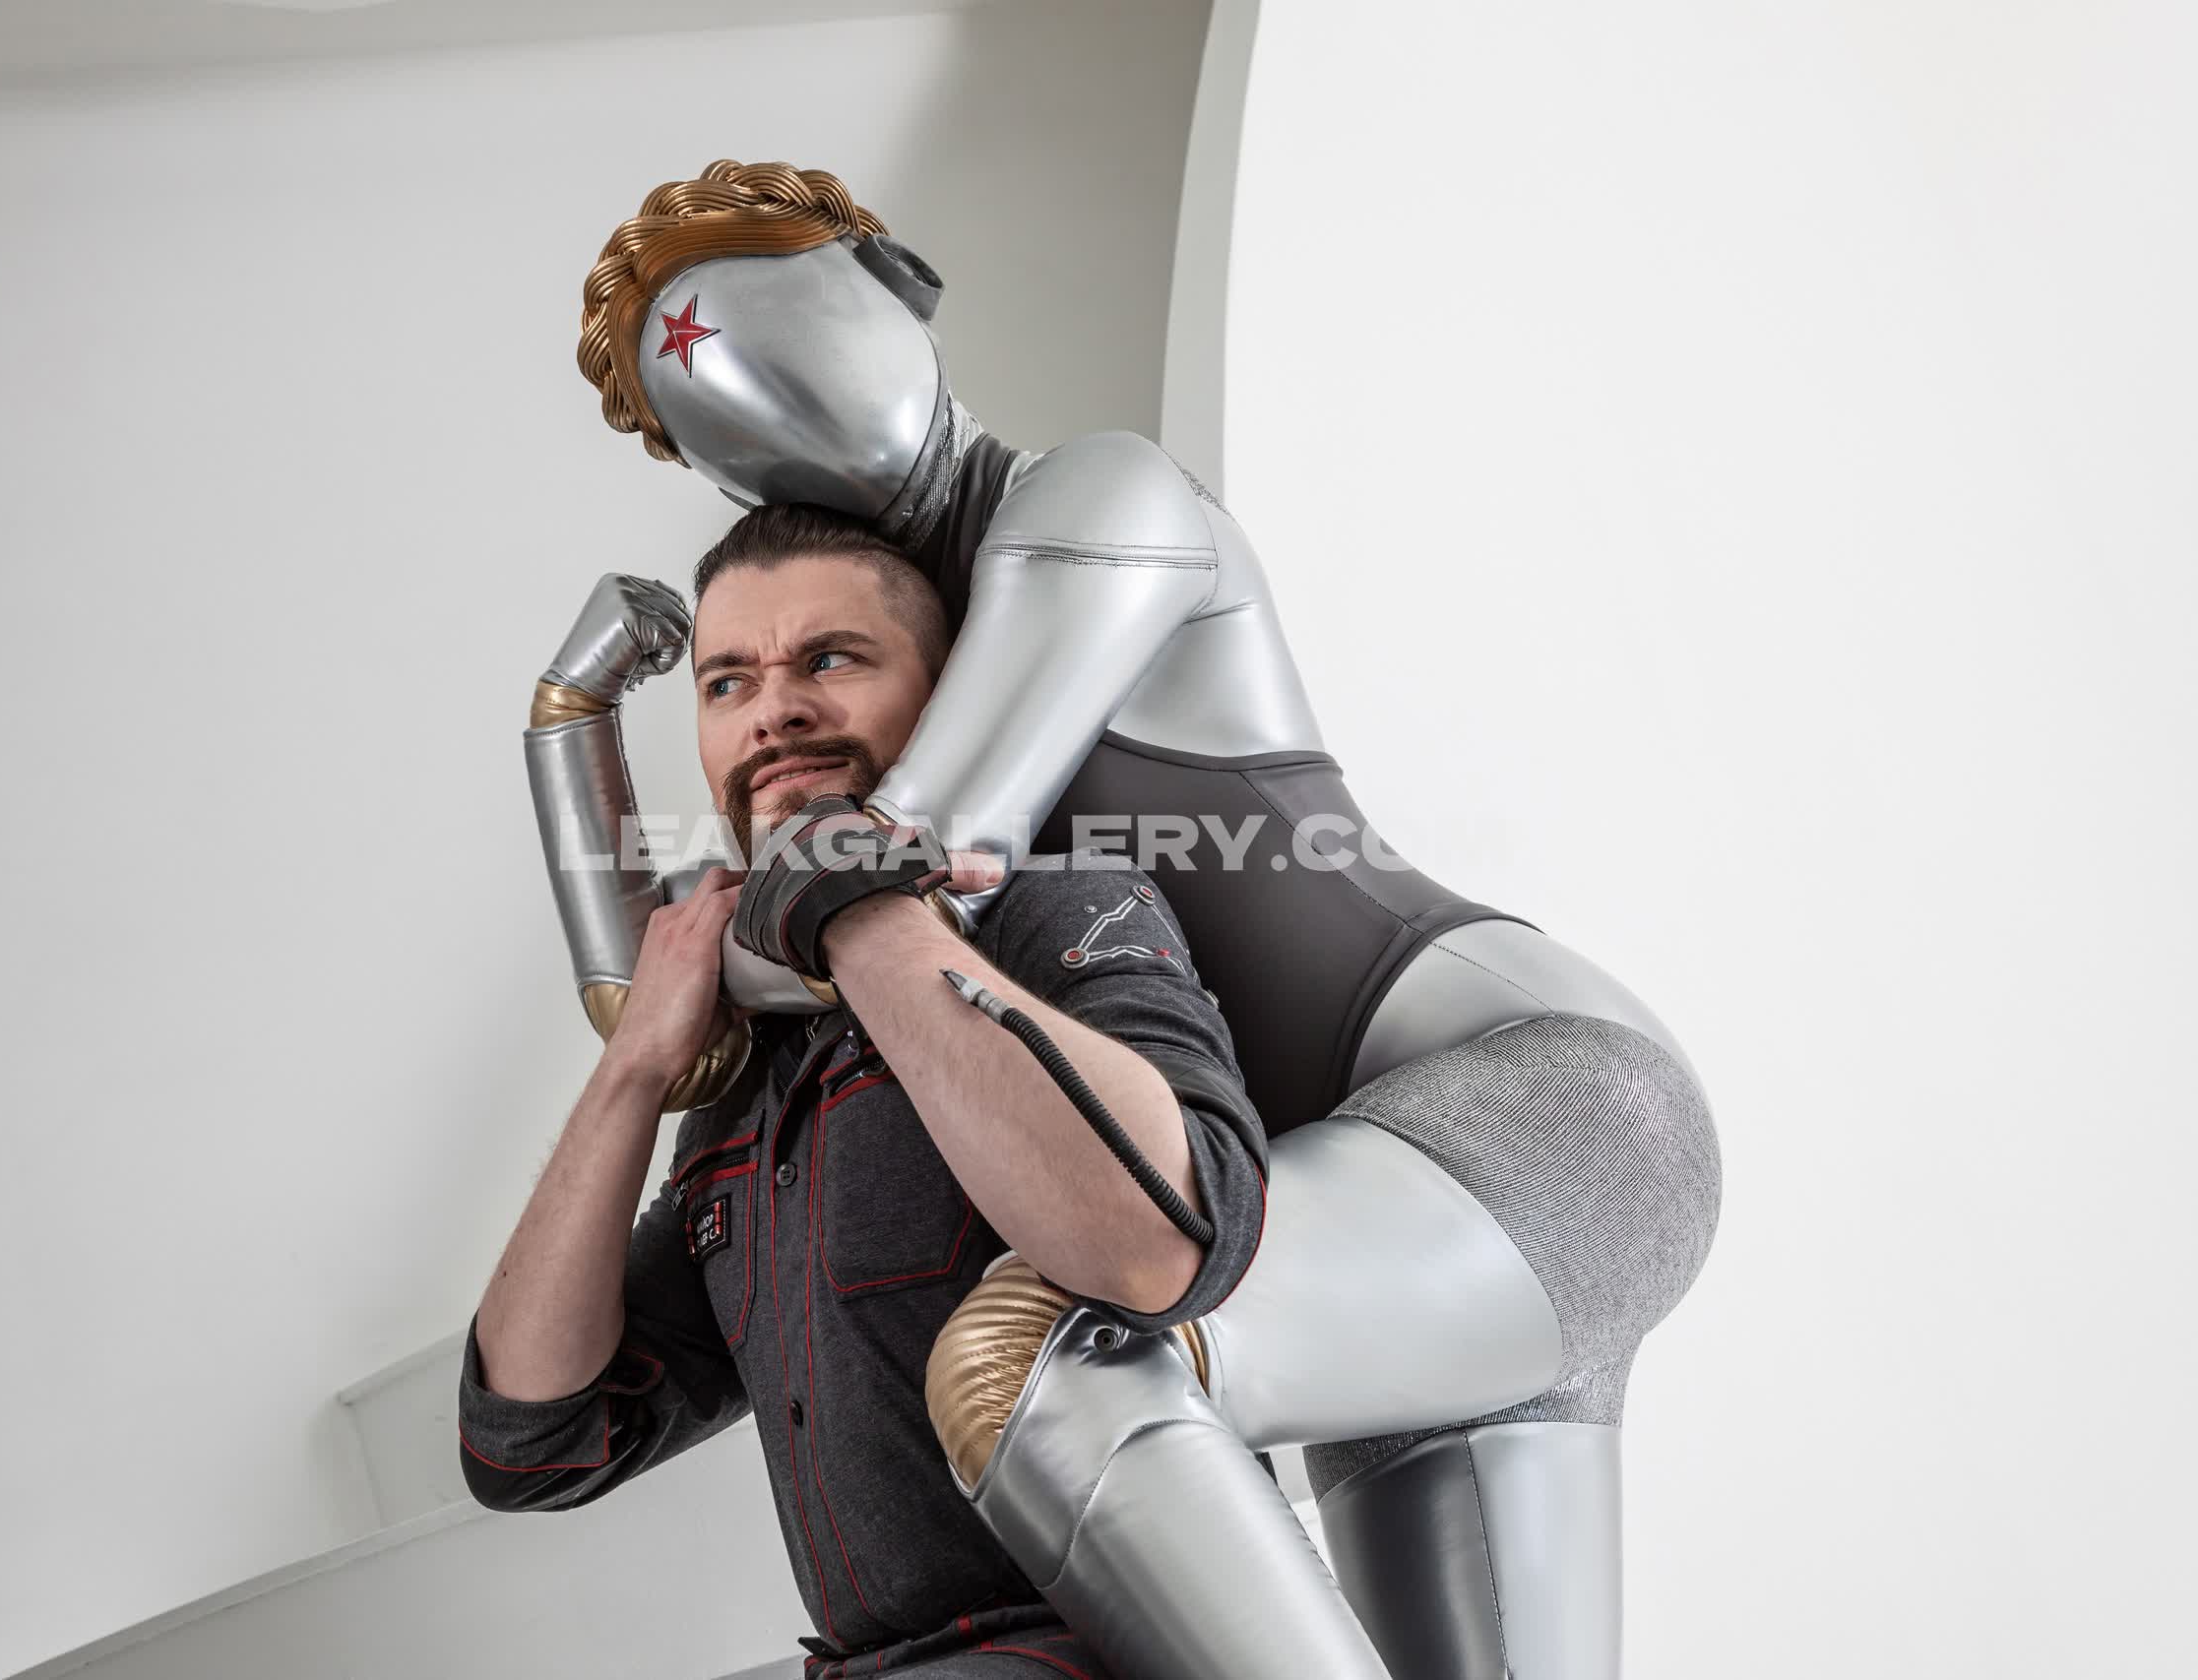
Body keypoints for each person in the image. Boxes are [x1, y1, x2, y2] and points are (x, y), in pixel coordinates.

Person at [528, 160, 1723, 1678]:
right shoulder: (909, 668)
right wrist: (559, 726)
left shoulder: (1097, 498)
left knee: (1056, 1361)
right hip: (1341, 1202)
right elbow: (684, 1007)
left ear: (899, 286)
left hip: (1538, 1110)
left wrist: (604, 775)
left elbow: (870, 877)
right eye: (710, 405)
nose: (768, 405)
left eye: (777, 330)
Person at [465, 505, 1271, 1679]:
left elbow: (1164, 1243)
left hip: (1115, 1652)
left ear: (942, 698)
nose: (775, 711)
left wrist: (863, 907)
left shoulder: (1056, 909)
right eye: (728, 683)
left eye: (830, 660)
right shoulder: (749, 1079)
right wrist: (634, 1066)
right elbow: (531, 1438)